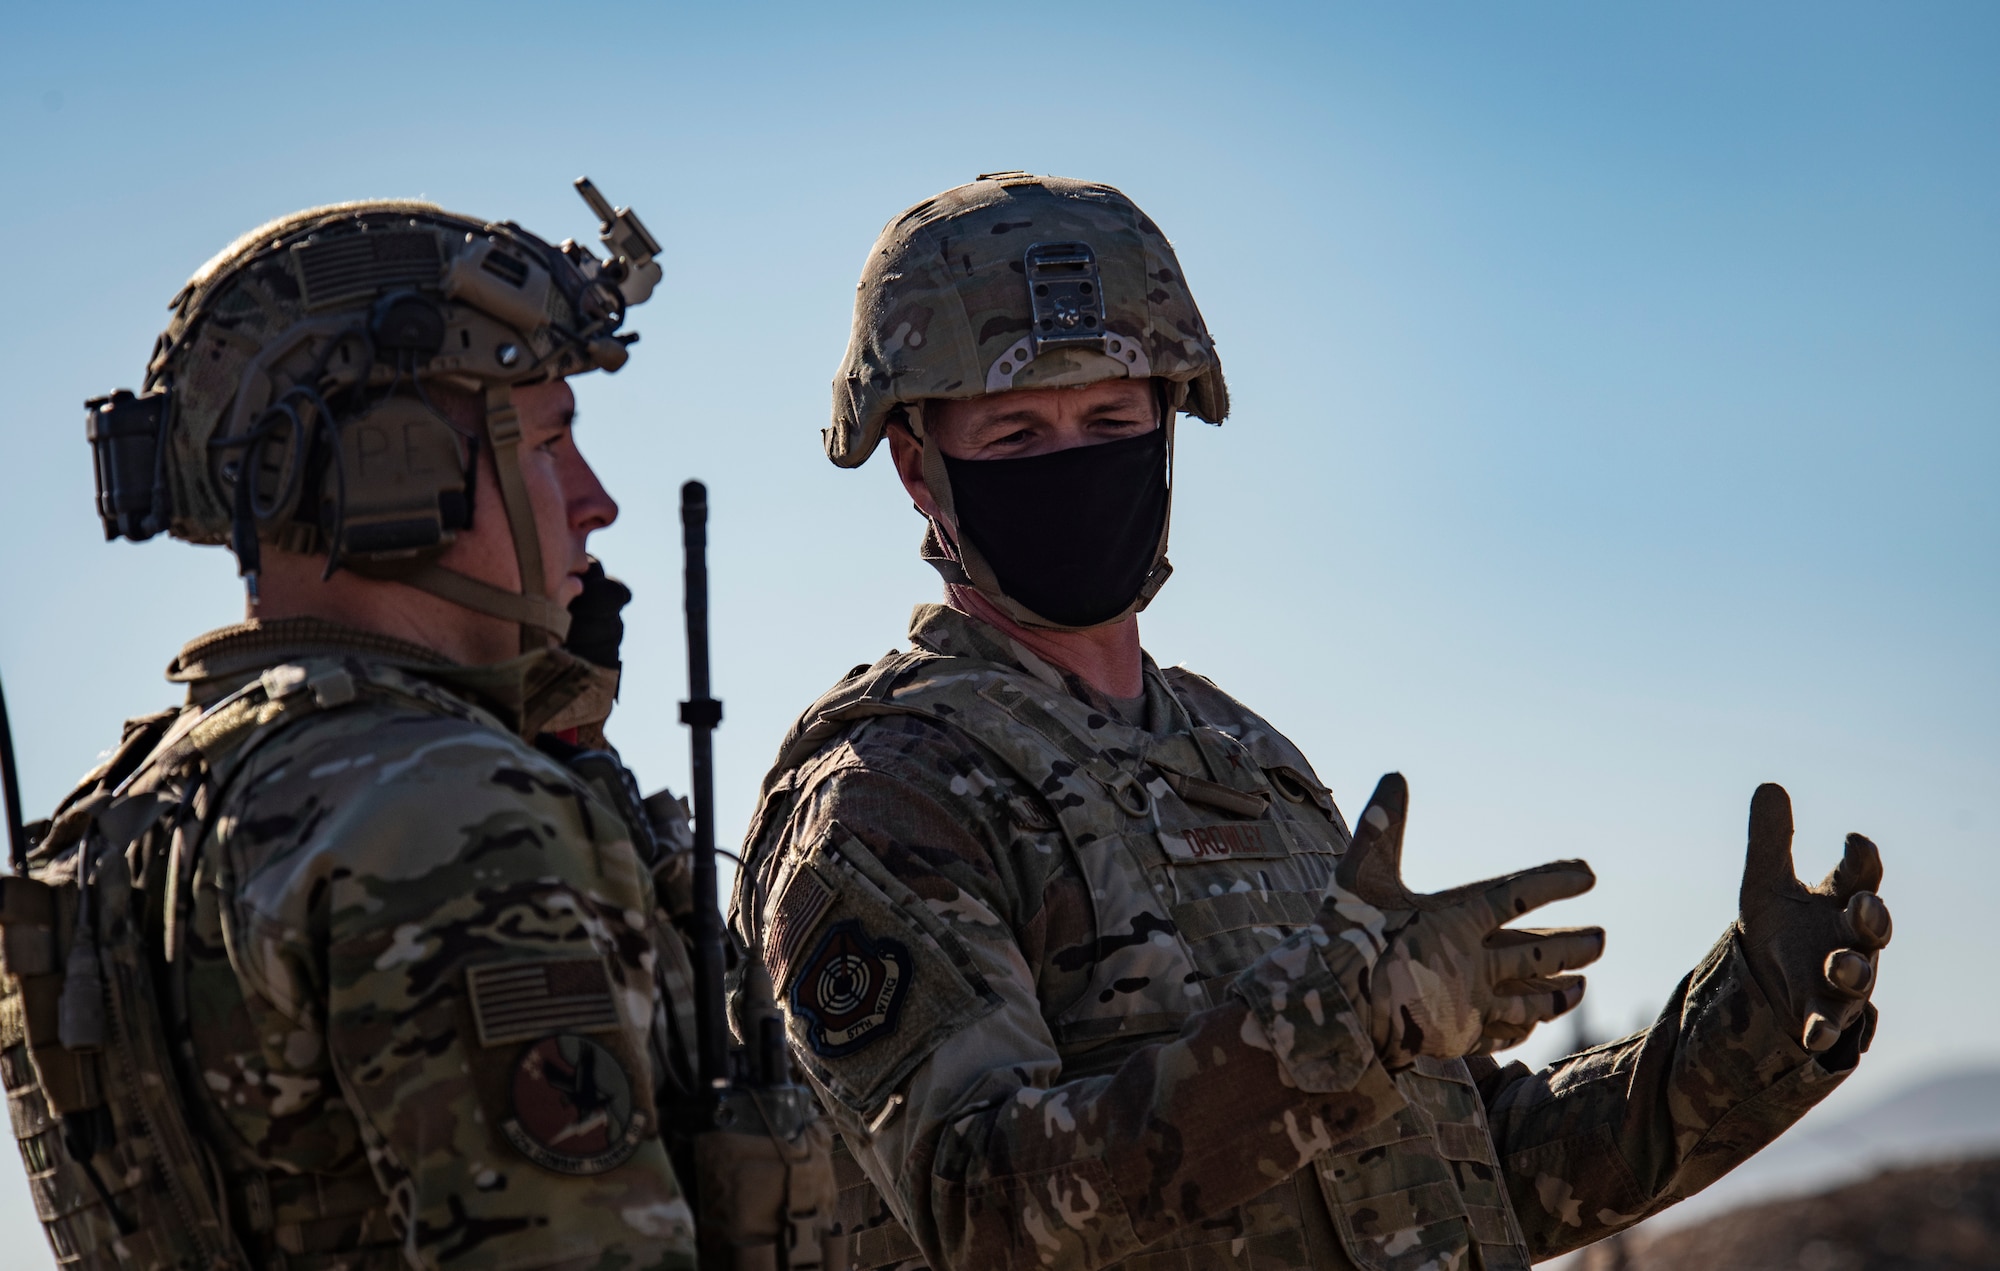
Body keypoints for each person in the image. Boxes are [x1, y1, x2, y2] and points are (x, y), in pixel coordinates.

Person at [731, 172, 1894, 1271]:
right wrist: (1331, 1030)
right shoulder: (889, 797)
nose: (1072, 465)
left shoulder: (1238, 755)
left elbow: (1462, 1170)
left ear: (1166, 426)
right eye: (1015, 437)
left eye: (1108, 417)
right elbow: (978, 1200)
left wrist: (1749, 1026)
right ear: (915, 468)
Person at [1, 188, 704, 1270]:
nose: (593, 500)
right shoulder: (446, 812)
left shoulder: (117, 819)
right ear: (394, 464)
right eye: (551, 440)